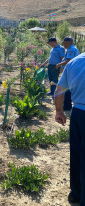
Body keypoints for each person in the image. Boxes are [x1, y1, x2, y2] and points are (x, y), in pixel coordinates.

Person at [54, 52, 85, 205]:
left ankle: (76, 193)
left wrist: (59, 111)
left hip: (78, 114)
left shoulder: (74, 62)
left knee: (77, 154)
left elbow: (59, 91)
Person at [56, 37, 79, 111]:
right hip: (73, 71)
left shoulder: (71, 50)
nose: (63, 44)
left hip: (72, 72)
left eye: (64, 42)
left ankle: (67, 106)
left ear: (68, 42)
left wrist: (59, 64)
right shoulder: (71, 49)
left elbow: (69, 60)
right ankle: (68, 104)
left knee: (67, 89)